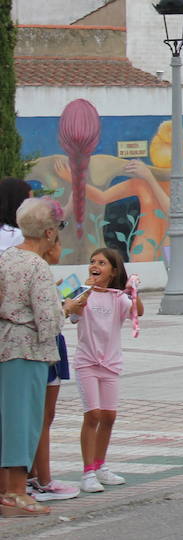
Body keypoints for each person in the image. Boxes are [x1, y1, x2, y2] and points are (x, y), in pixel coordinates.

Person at [0, 198, 65, 517]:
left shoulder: (7, 257)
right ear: (49, 232)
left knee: (8, 419)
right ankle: (16, 493)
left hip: (5, 345)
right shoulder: (37, 266)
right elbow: (49, 321)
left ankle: (7, 491)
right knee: (24, 420)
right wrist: (65, 308)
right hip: (28, 349)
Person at [64, 248, 142, 494]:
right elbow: (72, 312)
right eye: (92, 262)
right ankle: (87, 472)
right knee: (93, 415)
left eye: (101, 263)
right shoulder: (80, 292)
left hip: (111, 363)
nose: (94, 266)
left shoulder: (118, 297)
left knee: (108, 416)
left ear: (114, 271)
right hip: (87, 363)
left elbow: (137, 311)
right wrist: (85, 292)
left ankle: (100, 466)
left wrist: (133, 290)